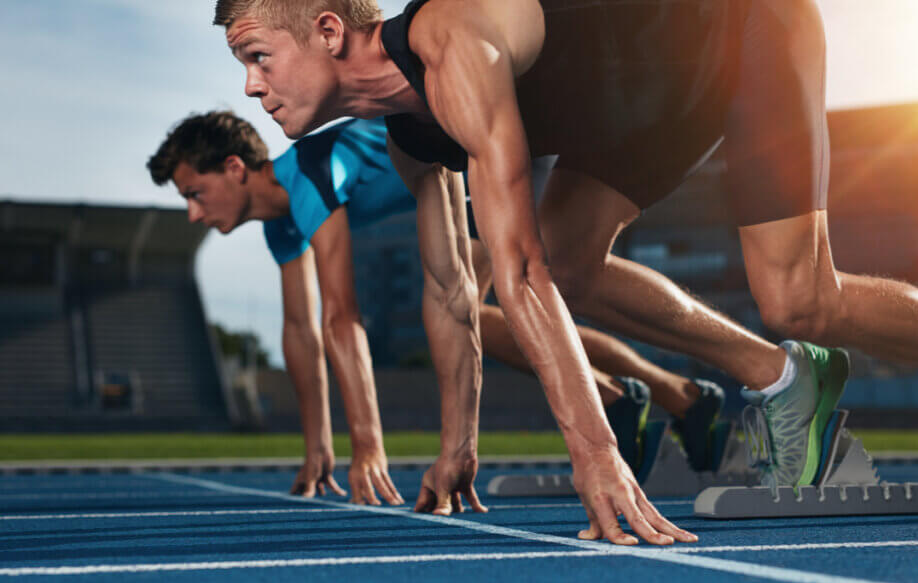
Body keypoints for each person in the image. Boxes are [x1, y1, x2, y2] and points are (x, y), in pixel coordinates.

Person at [212, 0, 918, 539]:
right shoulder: (411, 135)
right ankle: (786, 384)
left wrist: (592, 448)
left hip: (737, 29)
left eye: (257, 56)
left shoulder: (453, 42)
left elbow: (515, 262)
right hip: (641, 105)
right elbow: (454, 291)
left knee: (799, 295)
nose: (250, 86)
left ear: (325, 29)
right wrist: (458, 444)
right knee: (568, 262)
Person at [147, 111, 725, 511]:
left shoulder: (310, 175)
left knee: (483, 308)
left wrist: (368, 445)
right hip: (453, 190)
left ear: (233, 168)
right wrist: (318, 447)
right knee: (485, 317)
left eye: (193, 194)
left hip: (477, 160)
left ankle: (653, 394)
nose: (193, 214)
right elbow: (300, 331)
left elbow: (342, 317)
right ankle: (660, 395)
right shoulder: (281, 226)